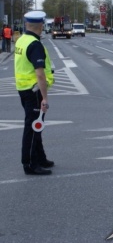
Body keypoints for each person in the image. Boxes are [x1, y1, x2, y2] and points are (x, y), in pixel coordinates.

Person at [14, 11, 55, 175]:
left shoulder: (22, 40)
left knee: (36, 126)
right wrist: (45, 98)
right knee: (33, 127)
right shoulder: (34, 44)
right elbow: (40, 73)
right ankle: (29, 164)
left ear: (26, 24)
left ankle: (40, 157)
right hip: (34, 90)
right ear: (41, 25)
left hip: (24, 89)